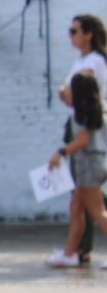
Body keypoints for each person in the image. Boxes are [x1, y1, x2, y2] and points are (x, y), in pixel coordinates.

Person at [57, 15, 107, 262]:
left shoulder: (94, 62)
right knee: (79, 200)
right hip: (80, 127)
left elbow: (77, 92)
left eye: (74, 30)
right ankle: (74, 250)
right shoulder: (82, 60)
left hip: (85, 133)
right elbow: (67, 90)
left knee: (94, 205)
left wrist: (61, 152)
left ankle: (80, 249)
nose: (71, 35)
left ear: (88, 34)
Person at [46, 70, 107, 268]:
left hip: (87, 166)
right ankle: (70, 253)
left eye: (71, 89)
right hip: (97, 163)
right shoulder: (100, 111)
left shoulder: (80, 116)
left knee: (98, 213)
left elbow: (82, 141)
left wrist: (61, 152)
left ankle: (70, 253)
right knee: (76, 208)